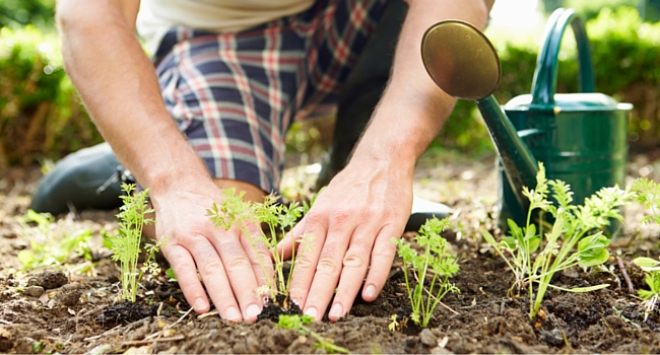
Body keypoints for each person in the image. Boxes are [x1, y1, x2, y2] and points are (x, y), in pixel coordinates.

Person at [41, 0, 494, 323]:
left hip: (365, 14)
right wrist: (173, 180)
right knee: (229, 224)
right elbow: (88, 14)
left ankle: (349, 168)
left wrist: (385, 161)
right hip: (221, 33)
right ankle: (145, 150)